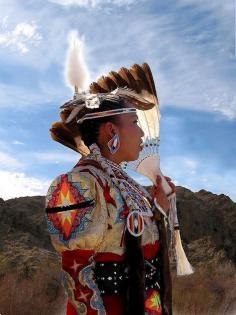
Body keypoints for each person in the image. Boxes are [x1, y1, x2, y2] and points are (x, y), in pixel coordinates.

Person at [45, 92, 176, 315]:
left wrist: (160, 207)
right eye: (135, 123)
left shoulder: (131, 186)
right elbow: (78, 278)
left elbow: (151, 248)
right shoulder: (77, 184)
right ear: (112, 131)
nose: (142, 132)